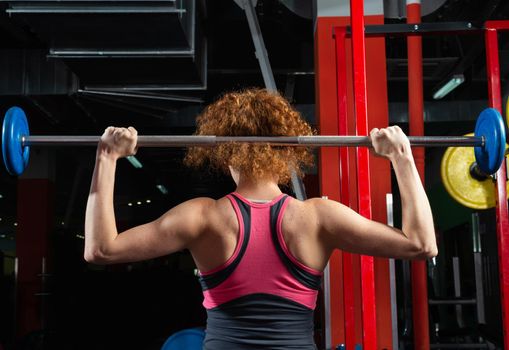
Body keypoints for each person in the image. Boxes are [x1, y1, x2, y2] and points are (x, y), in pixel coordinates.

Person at [84, 88, 437, 349]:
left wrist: (108, 158)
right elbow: (422, 244)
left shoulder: (202, 217)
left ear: (223, 154)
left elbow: (100, 251)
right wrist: (401, 158)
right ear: (287, 152)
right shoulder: (317, 218)